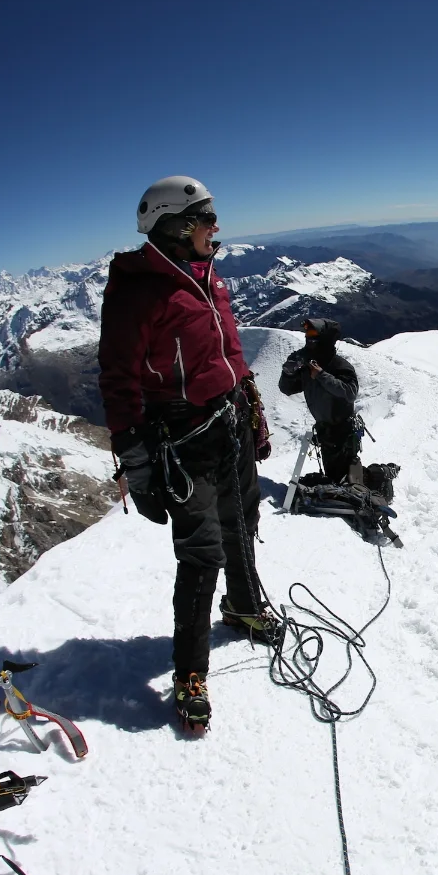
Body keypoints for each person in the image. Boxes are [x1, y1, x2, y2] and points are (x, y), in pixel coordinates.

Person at [97, 175, 275, 730]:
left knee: (241, 520)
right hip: (183, 439)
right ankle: (189, 673)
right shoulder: (139, 292)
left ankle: (245, 607)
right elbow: (118, 378)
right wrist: (136, 457)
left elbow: (229, 346)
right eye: (205, 218)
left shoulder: (204, 277)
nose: (215, 226)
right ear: (176, 226)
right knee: (201, 554)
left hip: (229, 421)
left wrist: (250, 399)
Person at [278, 318, 362, 482]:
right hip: (326, 430)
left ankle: (351, 498)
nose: (309, 338)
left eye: (313, 334)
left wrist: (321, 375)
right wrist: (288, 373)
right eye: (308, 334)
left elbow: (350, 392)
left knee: (344, 477)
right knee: (334, 475)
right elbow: (287, 389)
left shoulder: (339, 365)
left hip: (342, 431)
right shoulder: (307, 364)